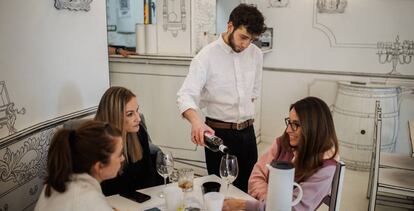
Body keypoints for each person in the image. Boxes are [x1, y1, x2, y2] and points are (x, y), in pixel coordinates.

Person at [176, 3, 266, 192]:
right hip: (220, 135)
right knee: (220, 192)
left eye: (251, 39)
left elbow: (253, 94)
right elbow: (185, 95)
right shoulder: (205, 57)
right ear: (230, 26)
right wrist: (197, 122)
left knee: (249, 190)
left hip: (248, 134)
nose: (246, 44)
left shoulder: (256, 55)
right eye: (243, 37)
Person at [222, 96, 340, 211]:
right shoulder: (283, 142)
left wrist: (243, 205)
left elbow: (293, 208)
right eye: (289, 122)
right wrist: (269, 202)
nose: (288, 130)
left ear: (314, 129)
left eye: (296, 125)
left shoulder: (326, 167)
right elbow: (256, 177)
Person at [34, 121, 124, 211]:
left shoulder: (56, 182)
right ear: (99, 166)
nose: (123, 158)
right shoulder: (89, 201)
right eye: (119, 154)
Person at [95, 86, 163, 196]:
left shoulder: (139, 133)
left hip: (139, 201)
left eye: (137, 111)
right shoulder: (99, 144)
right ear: (114, 116)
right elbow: (106, 190)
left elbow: (149, 176)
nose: (138, 118)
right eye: (130, 114)